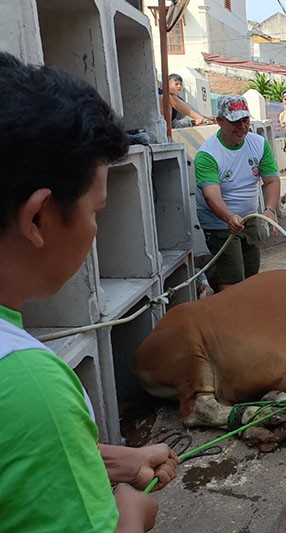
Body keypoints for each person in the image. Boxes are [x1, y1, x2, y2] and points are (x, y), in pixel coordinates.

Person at [0, 52, 179, 532]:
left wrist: (108, 460)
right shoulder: (28, 383)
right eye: (95, 210)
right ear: (37, 218)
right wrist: (131, 513)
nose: (97, 229)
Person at [195, 94, 280, 291]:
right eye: (235, 121)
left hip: (249, 217)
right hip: (220, 222)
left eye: (245, 120)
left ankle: (245, 314)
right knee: (230, 279)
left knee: (251, 273)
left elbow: (271, 180)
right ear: (220, 121)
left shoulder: (258, 144)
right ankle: (228, 318)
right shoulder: (207, 154)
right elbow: (211, 195)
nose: (242, 126)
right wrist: (228, 217)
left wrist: (269, 209)